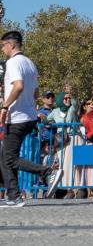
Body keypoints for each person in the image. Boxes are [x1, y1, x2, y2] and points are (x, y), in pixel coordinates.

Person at [0, 30, 61, 206]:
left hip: (17, 117)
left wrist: (5, 106)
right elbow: (35, 93)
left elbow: (18, 86)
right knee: (5, 157)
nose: (3, 49)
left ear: (11, 45)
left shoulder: (12, 63)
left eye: (3, 45)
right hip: (30, 116)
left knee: (9, 158)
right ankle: (13, 196)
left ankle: (46, 171)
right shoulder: (30, 63)